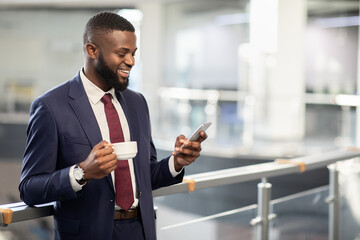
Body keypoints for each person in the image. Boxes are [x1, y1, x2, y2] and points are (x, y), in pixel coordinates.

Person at [19, 11, 207, 240]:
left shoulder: (137, 102)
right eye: (122, 53)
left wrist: (176, 162)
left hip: (140, 230)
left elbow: (145, 175)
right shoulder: (51, 107)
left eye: (133, 53)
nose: (131, 61)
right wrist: (82, 172)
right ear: (92, 50)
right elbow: (30, 188)